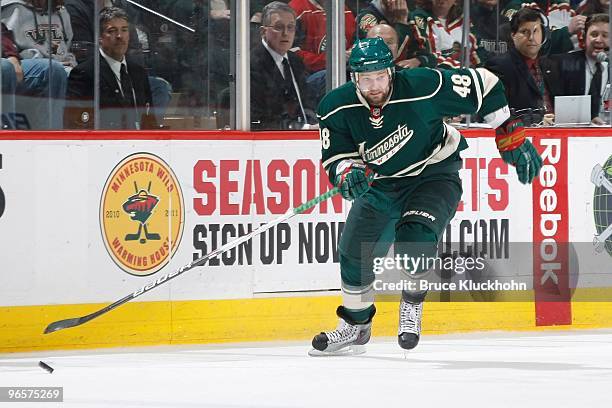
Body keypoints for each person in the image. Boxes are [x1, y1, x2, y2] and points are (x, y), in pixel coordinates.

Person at [310, 37, 543, 355]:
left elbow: (486, 84)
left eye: (380, 76)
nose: (374, 85)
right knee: (353, 251)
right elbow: (336, 155)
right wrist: (347, 173)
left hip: (434, 175)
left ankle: (411, 303)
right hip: (383, 184)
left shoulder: (426, 84)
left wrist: (509, 134)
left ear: (392, 72)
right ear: (354, 78)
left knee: (414, 237)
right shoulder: (335, 107)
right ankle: (355, 324)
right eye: (366, 79)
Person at [64, 6, 157, 129]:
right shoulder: (84, 73)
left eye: (124, 30)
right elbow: (76, 125)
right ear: (99, 37)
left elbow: (149, 120)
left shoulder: (138, 71)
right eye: (112, 30)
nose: (119, 36)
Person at [1, 0, 71, 128]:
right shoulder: (12, 9)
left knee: (60, 70)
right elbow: (5, 37)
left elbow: (68, 45)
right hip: (21, 59)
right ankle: (7, 137)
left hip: (58, 62)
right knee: (6, 69)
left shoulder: (62, 11)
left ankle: (51, 139)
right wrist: (11, 56)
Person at [485, 7, 560, 126]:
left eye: (536, 31)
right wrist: (537, 120)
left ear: (543, 35)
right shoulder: (499, 66)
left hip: (558, 132)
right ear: (513, 35)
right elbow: (495, 114)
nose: (531, 37)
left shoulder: (550, 66)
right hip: (521, 136)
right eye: (525, 32)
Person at [251, 1, 312, 130]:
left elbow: (307, 103)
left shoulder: (296, 62)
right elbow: (259, 118)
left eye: (290, 27)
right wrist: (299, 128)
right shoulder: (251, 65)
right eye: (278, 27)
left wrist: (312, 122)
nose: (286, 33)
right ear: (263, 31)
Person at [553, 13, 609, 124]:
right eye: (594, 34)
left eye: (605, 35)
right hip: (571, 131)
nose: (599, 39)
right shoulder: (565, 64)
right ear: (584, 37)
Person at [356, 0, 436, 69]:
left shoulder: (413, 15)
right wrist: (401, 22)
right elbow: (386, 55)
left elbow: (427, 54)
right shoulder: (367, 18)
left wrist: (419, 60)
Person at [410, 0, 480, 68]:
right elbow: (428, 55)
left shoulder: (464, 20)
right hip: (437, 73)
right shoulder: (420, 17)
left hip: (465, 74)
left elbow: (475, 54)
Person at [1, 22, 18, 126]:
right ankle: (7, 130)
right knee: (5, 68)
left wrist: (11, 56)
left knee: (52, 70)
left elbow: (3, 36)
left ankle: (49, 137)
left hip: (6, 55)